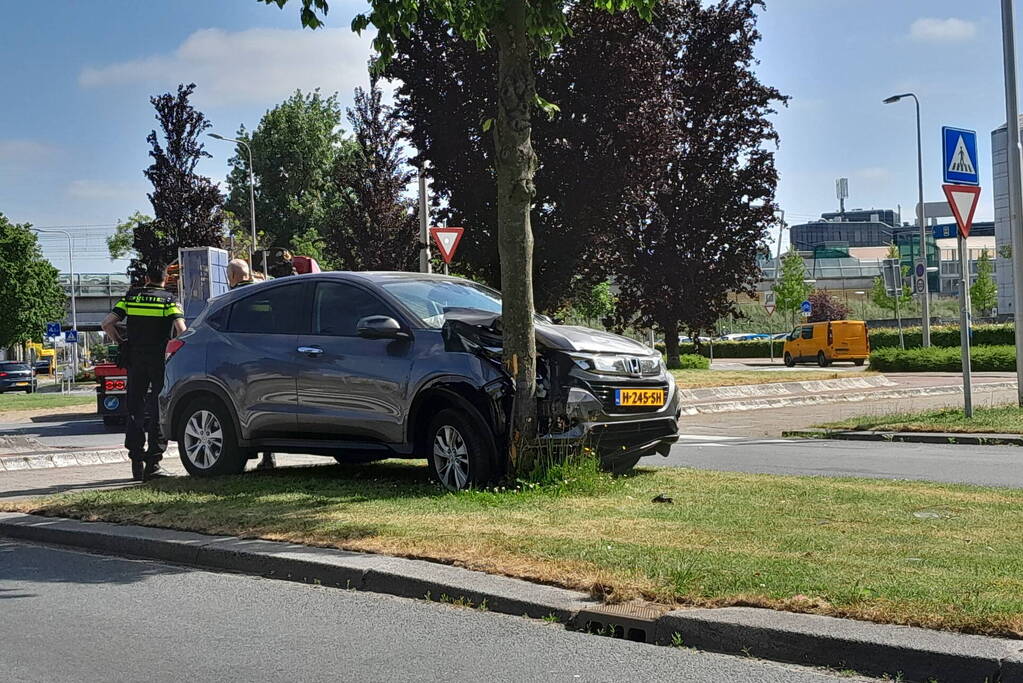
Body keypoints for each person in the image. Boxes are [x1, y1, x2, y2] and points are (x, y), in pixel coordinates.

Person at [101, 262, 185, 482]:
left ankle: (136, 462)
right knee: (158, 407)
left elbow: (107, 324)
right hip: (159, 359)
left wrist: (122, 342)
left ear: (147, 278)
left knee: (134, 408)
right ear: (165, 279)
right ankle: (154, 464)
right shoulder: (168, 300)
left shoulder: (131, 297)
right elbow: (181, 330)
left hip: (135, 358)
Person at [226, 257, 277, 471]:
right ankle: (268, 456)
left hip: (243, 361)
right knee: (270, 405)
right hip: (273, 357)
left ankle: (240, 456)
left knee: (244, 407)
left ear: (233, 276)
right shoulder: (268, 291)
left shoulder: (232, 298)